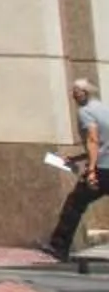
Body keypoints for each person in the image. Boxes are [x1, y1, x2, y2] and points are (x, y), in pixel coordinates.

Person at [43, 77, 109, 259]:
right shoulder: (104, 109)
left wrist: (91, 170)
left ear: (84, 93)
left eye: (75, 91)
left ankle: (59, 246)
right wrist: (77, 158)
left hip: (103, 168)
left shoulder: (85, 112)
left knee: (75, 204)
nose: (72, 95)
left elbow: (93, 139)